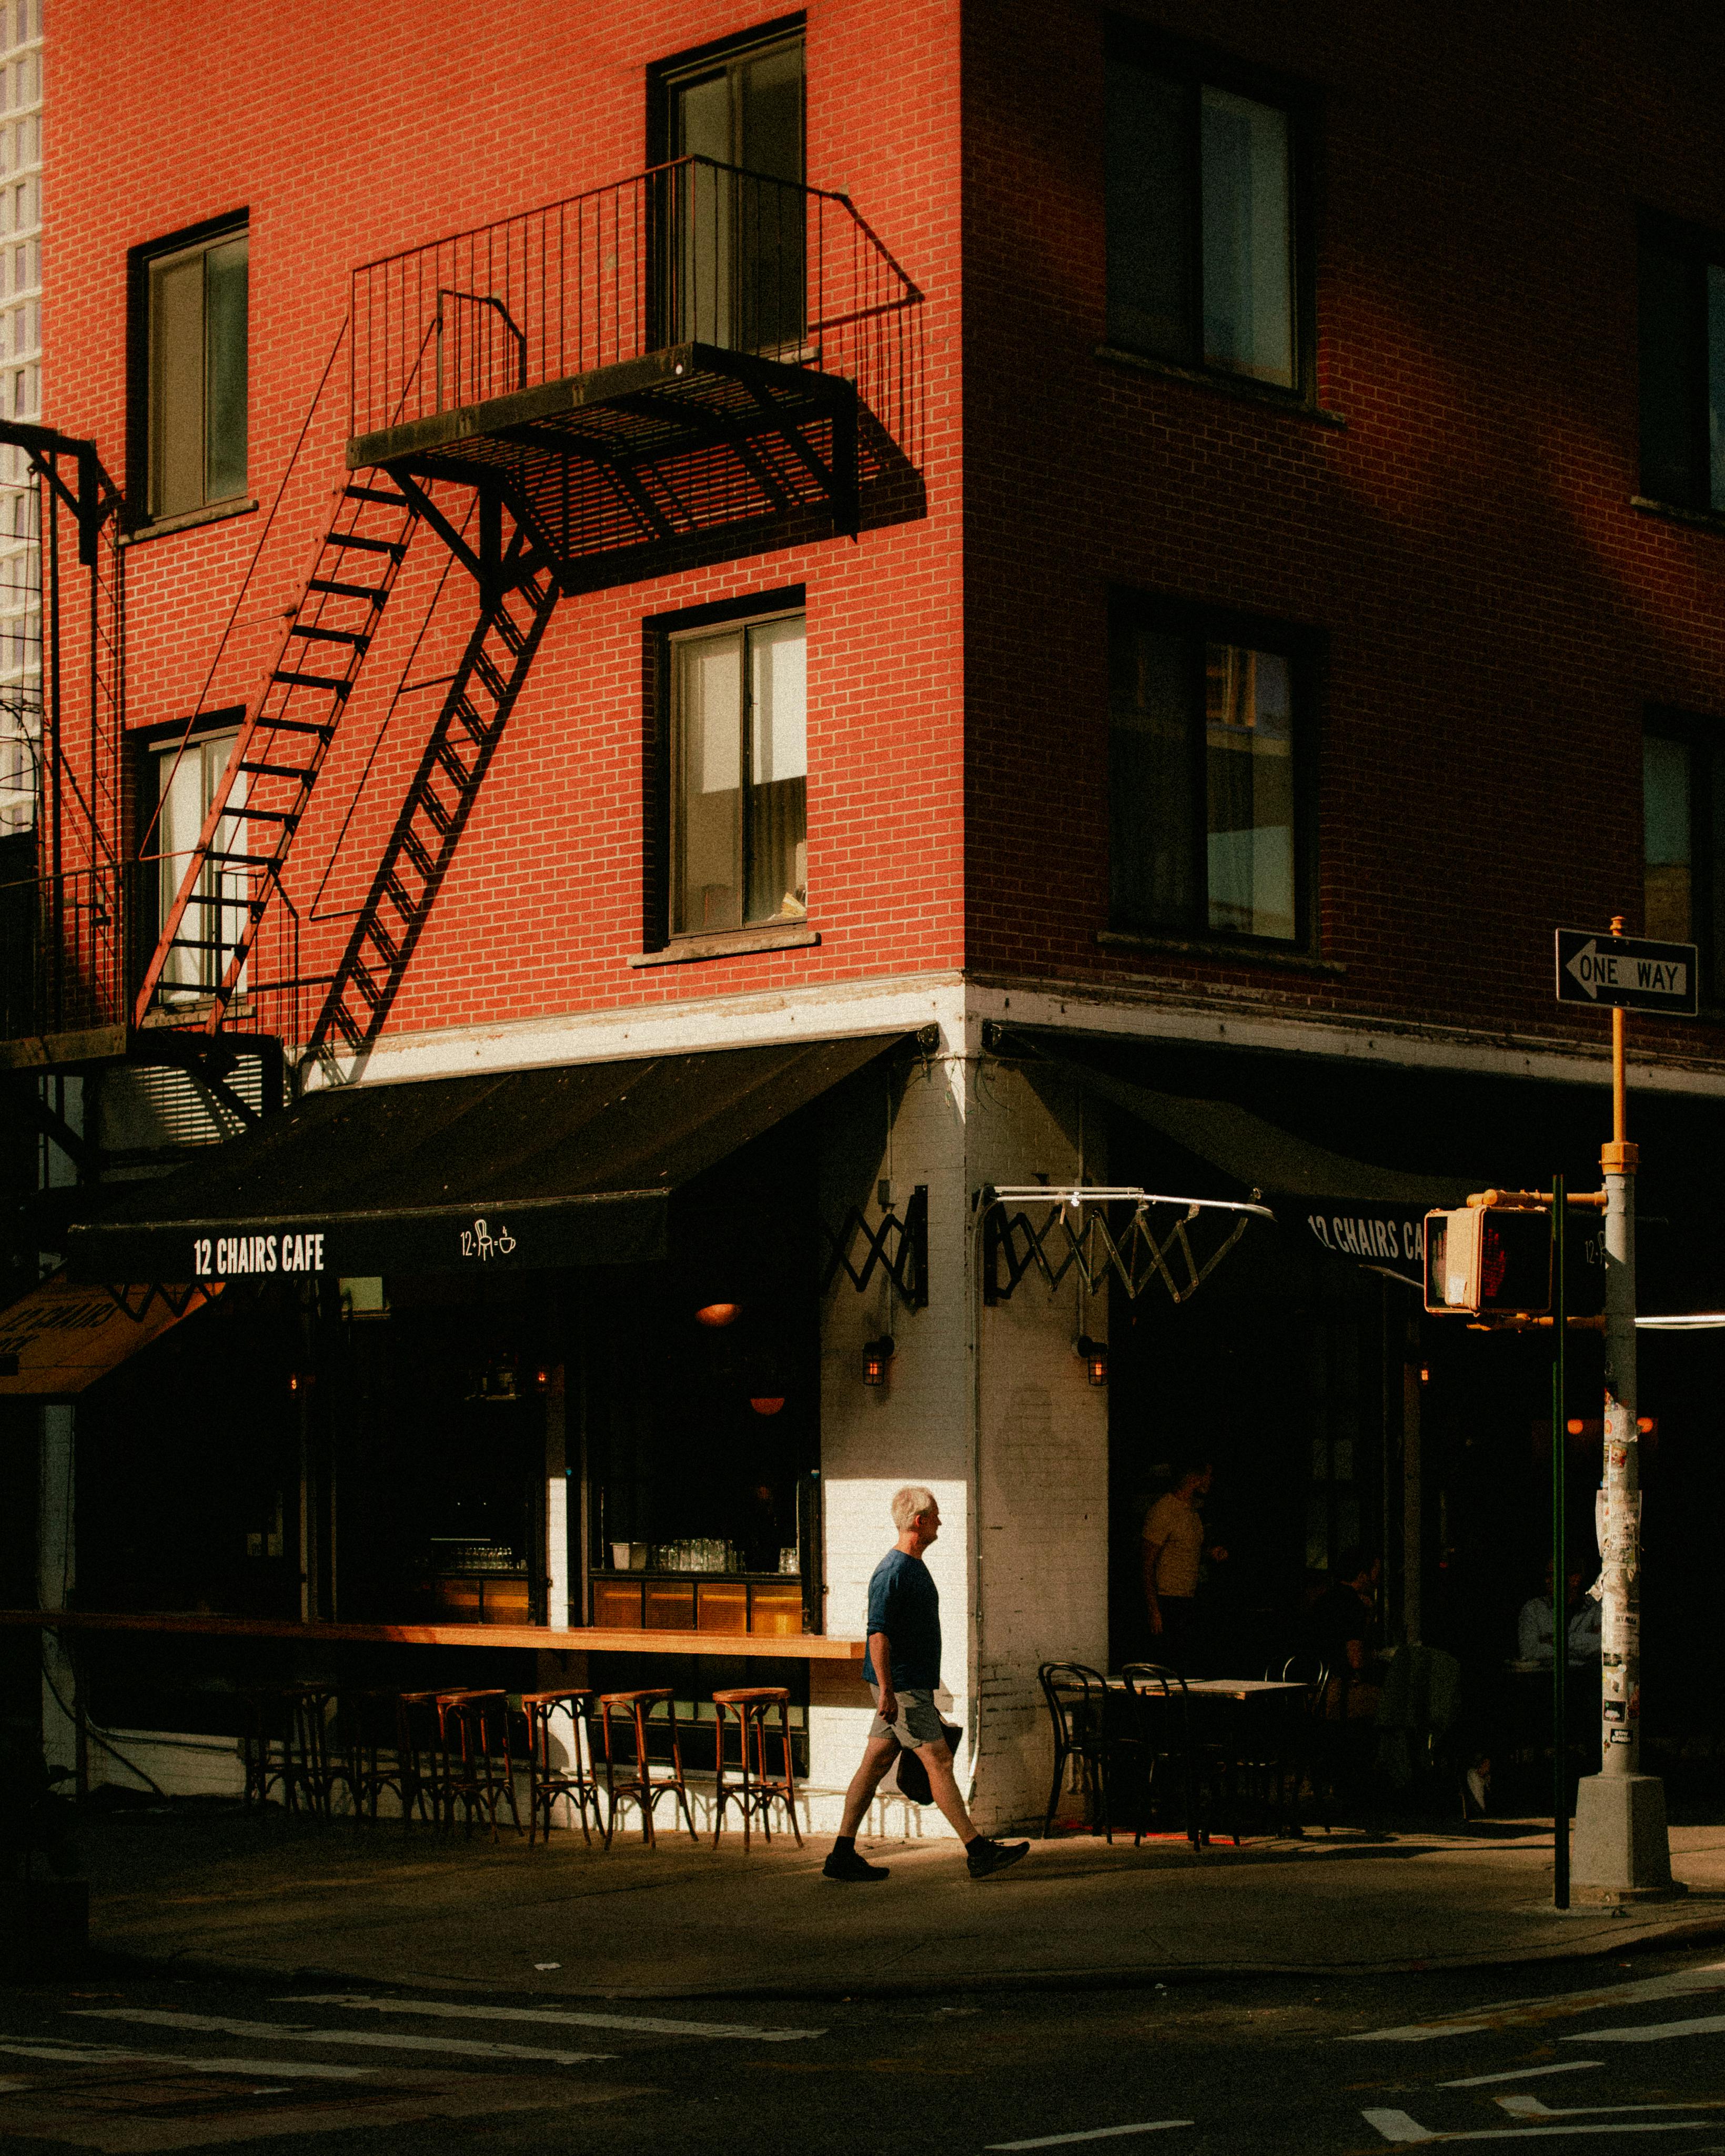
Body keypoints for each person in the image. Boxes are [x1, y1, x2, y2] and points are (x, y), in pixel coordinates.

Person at [823, 1485, 1029, 1884]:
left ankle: (841, 1854)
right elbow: (877, 1634)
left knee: (875, 1762)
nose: (940, 1521)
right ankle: (977, 1850)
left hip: (905, 1686)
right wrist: (888, 1691)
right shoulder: (893, 1571)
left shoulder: (912, 1566)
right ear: (920, 1521)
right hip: (899, 1686)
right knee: (938, 1760)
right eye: (935, 1515)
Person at [1141, 1459, 1227, 1671]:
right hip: (1168, 1600)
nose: (1211, 1480)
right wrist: (1154, 1610)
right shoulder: (1164, 1511)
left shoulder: (1191, 1512)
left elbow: (1184, 1548)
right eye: (1207, 1475)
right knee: (1169, 1667)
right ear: (1195, 1478)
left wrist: (1209, 1554)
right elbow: (1146, 1563)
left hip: (1187, 1598)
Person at [1310, 1547, 1382, 1720]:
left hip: (1312, 1687)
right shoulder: (1352, 1604)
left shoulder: (1325, 1599)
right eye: (1376, 1574)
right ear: (1362, 1575)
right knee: (1397, 1703)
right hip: (1335, 1691)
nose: (1378, 1580)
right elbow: (1357, 1660)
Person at [1517, 1557, 1602, 1665]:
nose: (1547, 1581)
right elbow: (1529, 1652)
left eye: (1553, 1575)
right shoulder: (1534, 1609)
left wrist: (1556, 1640)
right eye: (1547, 1576)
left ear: (1575, 1579)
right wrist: (1584, 1644)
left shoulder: (1596, 1609)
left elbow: (1602, 1646)